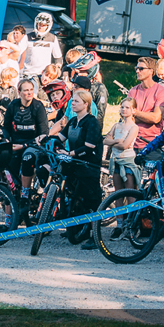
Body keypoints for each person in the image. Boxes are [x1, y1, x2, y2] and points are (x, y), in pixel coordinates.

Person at [62, 89, 104, 247]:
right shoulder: (73, 121)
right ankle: (78, 229)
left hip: (89, 168)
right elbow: (61, 137)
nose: (72, 104)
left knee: (92, 201)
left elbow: (89, 146)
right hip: (75, 166)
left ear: (86, 104)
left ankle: (96, 236)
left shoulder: (92, 122)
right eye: (72, 101)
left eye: (76, 101)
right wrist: (46, 139)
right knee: (76, 199)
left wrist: (69, 153)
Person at [128, 57, 164, 152]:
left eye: (141, 69)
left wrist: (135, 112)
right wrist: (147, 117)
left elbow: (156, 118)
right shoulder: (133, 91)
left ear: (151, 71)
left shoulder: (162, 91)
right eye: (136, 68)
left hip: (151, 144)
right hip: (131, 142)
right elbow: (126, 117)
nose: (137, 71)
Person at [104, 98, 140, 190]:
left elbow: (124, 145)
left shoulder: (134, 127)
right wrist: (116, 141)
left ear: (133, 110)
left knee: (129, 191)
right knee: (118, 191)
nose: (124, 109)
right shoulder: (116, 125)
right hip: (116, 160)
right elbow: (105, 141)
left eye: (127, 107)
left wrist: (112, 143)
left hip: (128, 161)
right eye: (122, 107)